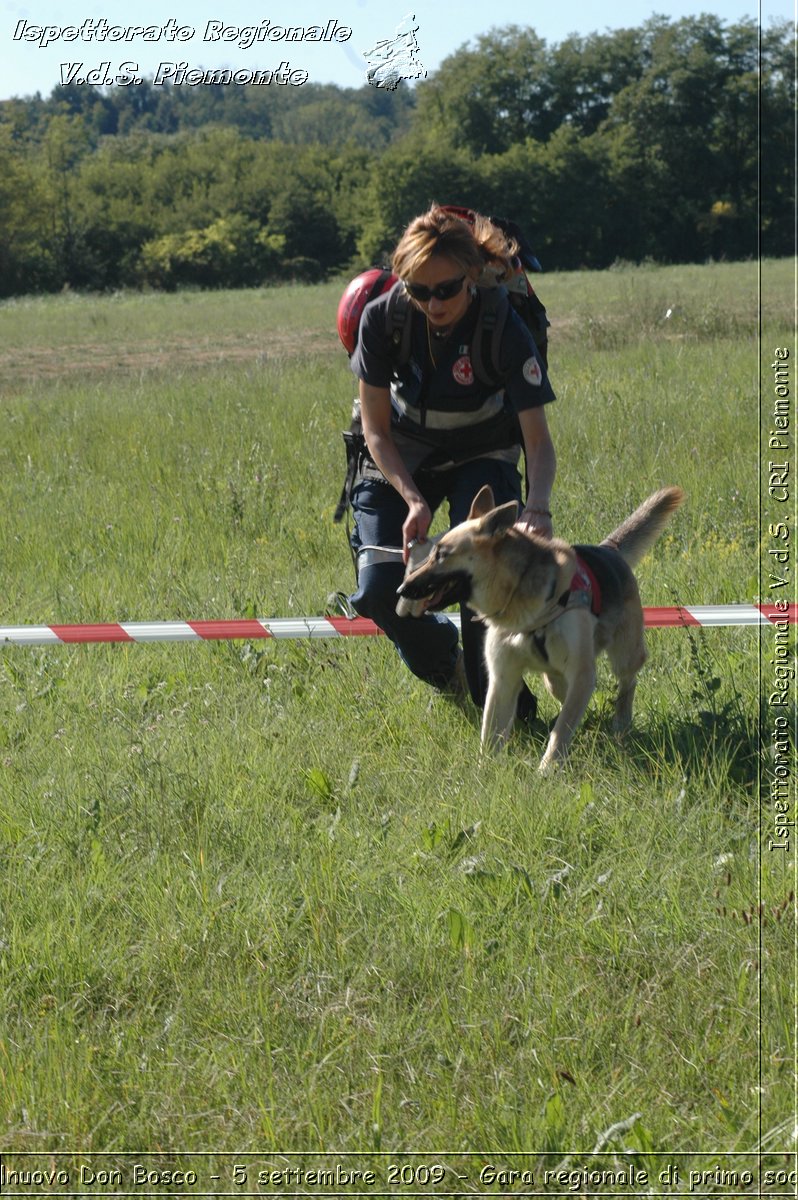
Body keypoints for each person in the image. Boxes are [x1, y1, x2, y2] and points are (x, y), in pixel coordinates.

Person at [347, 204, 557, 710]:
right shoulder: (382, 319)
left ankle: (504, 707)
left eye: (446, 290)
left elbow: (538, 442)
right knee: (379, 588)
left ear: (470, 276)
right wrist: (413, 499)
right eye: (419, 290)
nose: (433, 303)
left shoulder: (503, 326)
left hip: (483, 452)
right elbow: (375, 430)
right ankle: (449, 668)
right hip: (402, 453)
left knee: (476, 579)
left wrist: (538, 507)